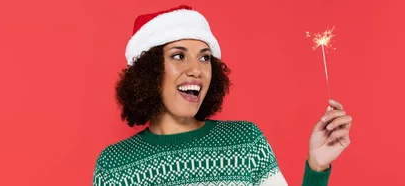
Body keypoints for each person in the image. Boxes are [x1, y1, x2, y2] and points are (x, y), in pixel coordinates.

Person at [92, 4, 353, 186]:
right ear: (149, 71)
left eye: (204, 57)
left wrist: (317, 167)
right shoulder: (114, 166)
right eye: (178, 55)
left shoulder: (246, 142)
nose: (196, 70)